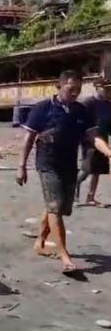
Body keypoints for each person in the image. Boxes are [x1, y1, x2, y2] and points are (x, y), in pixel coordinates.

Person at [16, 70, 111, 274]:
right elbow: (28, 139)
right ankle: (65, 256)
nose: (74, 93)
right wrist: (21, 166)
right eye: (70, 89)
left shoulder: (81, 111)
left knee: (56, 206)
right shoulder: (43, 109)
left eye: (77, 90)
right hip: (47, 164)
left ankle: (40, 242)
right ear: (59, 87)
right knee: (55, 209)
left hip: (69, 166)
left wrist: (109, 153)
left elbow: (93, 137)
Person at [76, 77, 111, 206]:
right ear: (97, 88)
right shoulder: (88, 103)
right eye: (105, 88)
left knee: (98, 170)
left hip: (103, 140)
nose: (108, 91)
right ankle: (74, 194)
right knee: (86, 170)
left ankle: (91, 197)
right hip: (89, 140)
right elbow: (81, 123)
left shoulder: (108, 104)